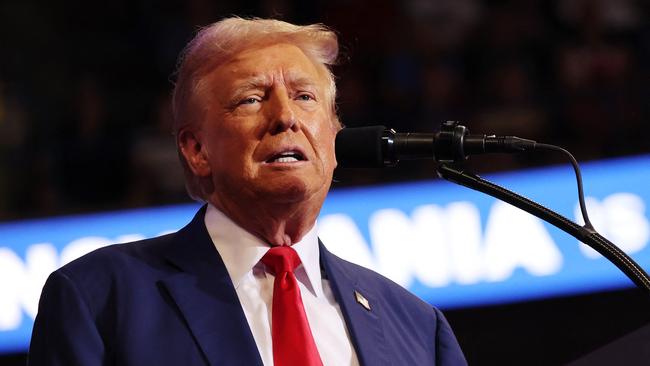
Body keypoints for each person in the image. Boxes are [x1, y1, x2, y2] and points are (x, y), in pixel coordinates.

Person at [28, 17, 466, 365]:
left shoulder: (416, 326)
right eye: (251, 99)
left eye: (305, 97)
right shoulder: (100, 298)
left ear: (335, 139)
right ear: (197, 150)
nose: (285, 118)